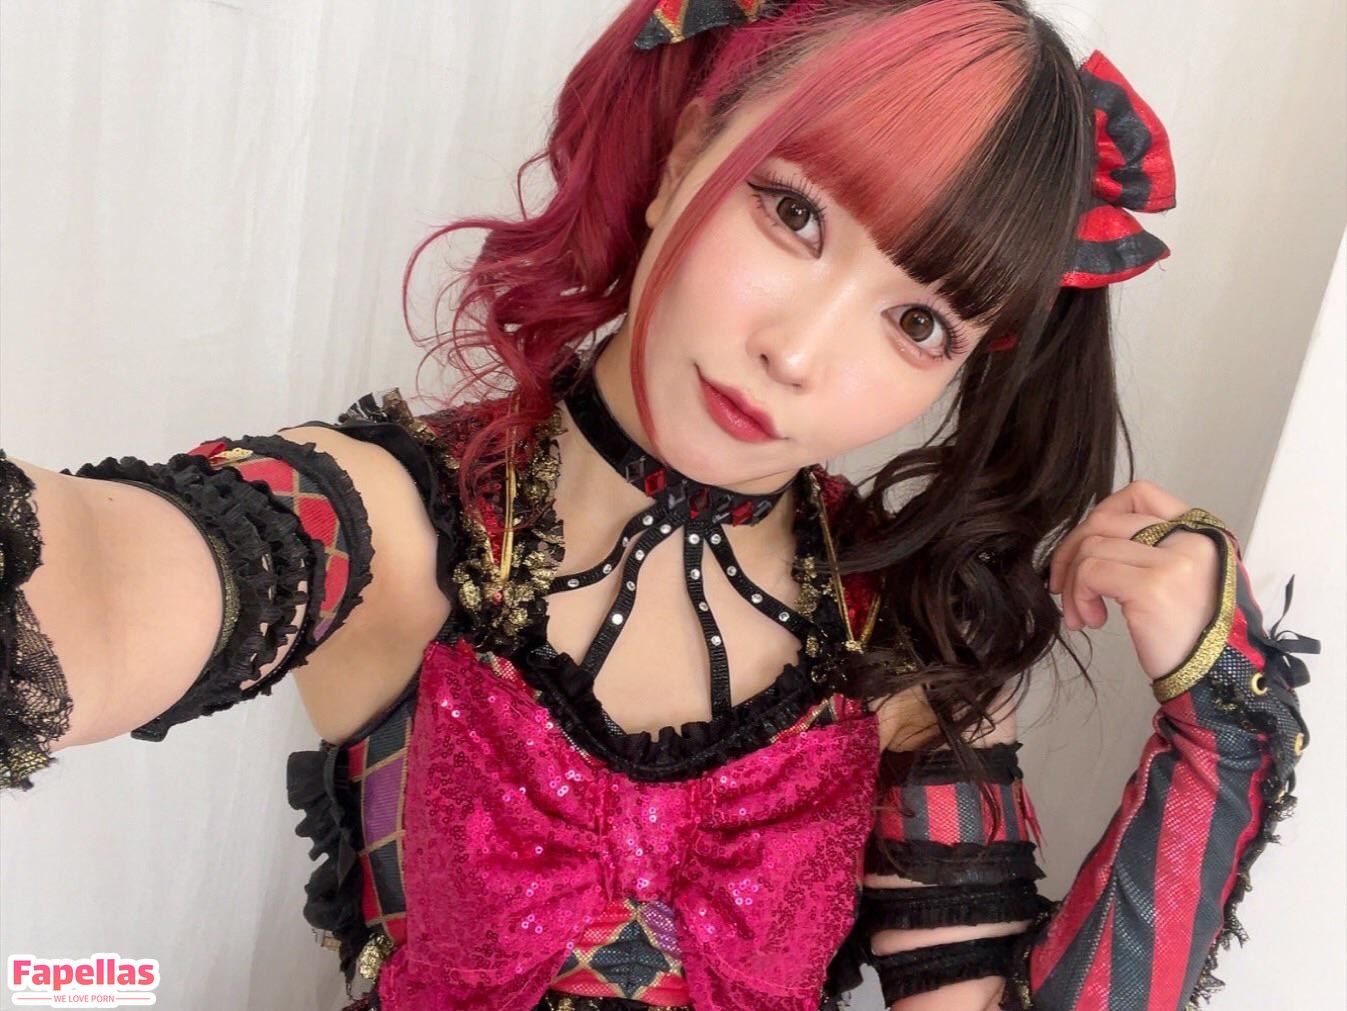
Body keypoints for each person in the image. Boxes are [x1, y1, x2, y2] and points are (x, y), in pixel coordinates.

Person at [0, 1, 1320, 1009]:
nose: (797, 353)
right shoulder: (404, 524)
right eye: (795, 215)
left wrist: (1222, 717)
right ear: (695, 145)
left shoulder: (904, 643)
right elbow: (106, 586)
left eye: (917, 321)